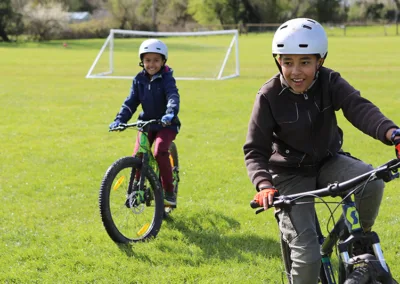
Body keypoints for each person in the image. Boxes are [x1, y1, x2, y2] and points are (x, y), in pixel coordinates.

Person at [243, 18, 400, 284]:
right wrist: (264, 185)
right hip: (289, 175)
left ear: (320, 61)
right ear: (277, 61)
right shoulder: (268, 96)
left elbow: (357, 107)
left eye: (305, 62)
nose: (295, 71)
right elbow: (254, 149)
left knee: (370, 181)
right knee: (308, 255)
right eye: (287, 61)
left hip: (328, 161)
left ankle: (360, 248)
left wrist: (393, 134)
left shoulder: (330, 82)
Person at [109, 38, 181, 206]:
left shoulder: (167, 78)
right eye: (147, 60)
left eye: (156, 60)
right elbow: (130, 102)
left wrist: (170, 113)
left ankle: (168, 192)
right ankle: (136, 189)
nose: (151, 64)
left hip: (166, 124)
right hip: (146, 123)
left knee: (159, 151)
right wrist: (120, 119)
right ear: (142, 61)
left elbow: (173, 96)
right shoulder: (139, 80)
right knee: (138, 154)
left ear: (163, 61)